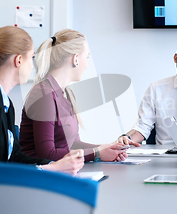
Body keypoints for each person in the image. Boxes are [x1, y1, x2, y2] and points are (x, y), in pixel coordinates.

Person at [0, 26, 84, 175]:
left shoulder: (4, 102)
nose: (33, 66)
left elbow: (15, 157)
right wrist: (49, 168)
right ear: (19, 60)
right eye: (31, 58)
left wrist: (56, 165)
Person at [18, 29, 127, 162]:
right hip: (38, 175)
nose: (87, 64)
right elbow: (47, 154)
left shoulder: (67, 94)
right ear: (75, 59)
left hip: (60, 171)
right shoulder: (44, 95)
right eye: (86, 57)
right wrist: (96, 153)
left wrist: (107, 148)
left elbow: (73, 145)